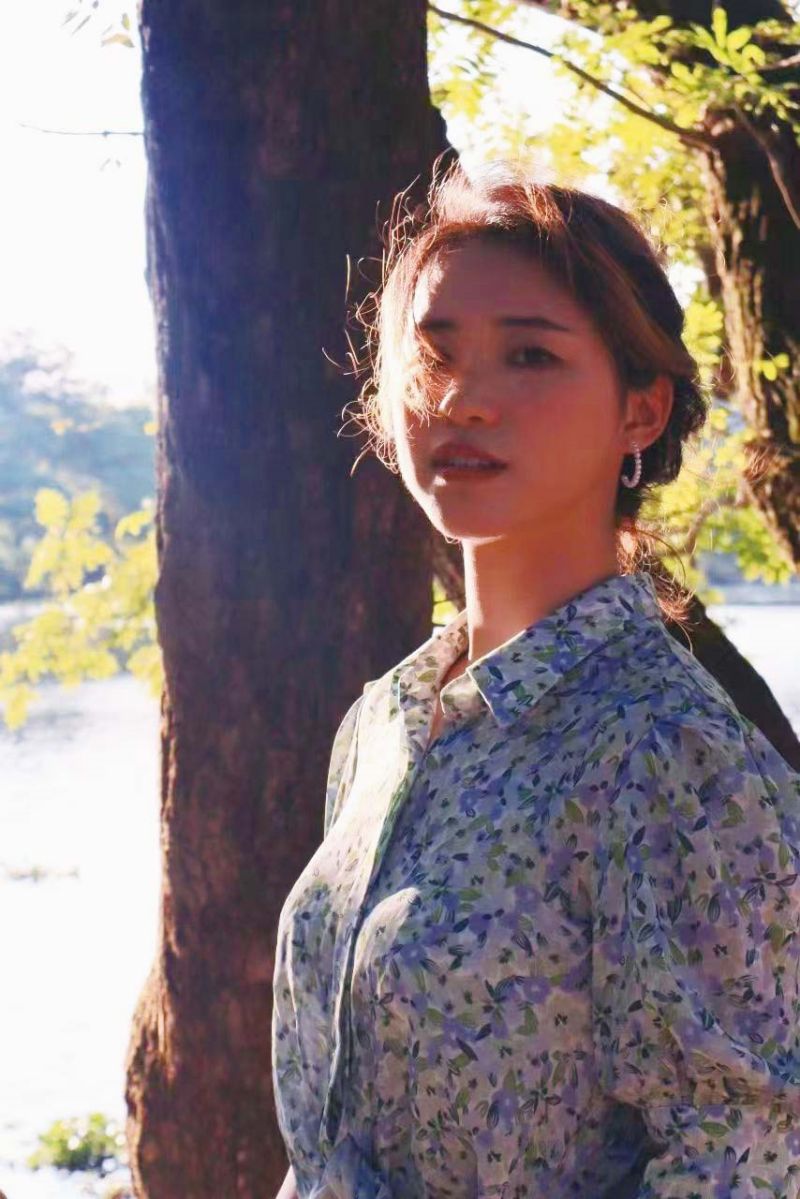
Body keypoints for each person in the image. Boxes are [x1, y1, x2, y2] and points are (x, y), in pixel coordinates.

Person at [271, 158, 800, 1199]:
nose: (464, 399)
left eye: (530, 355)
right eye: (434, 354)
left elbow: (749, 1157)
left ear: (640, 411)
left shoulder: (666, 751)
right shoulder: (384, 723)